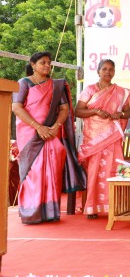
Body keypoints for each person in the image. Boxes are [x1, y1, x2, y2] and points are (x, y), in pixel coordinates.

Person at [11, 52, 85, 224]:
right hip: (30, 134)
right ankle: (32, 212)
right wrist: (38, 127)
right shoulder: (24, 83)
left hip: (51, 133)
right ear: (33, 65)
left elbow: (64, 109)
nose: (46, 65)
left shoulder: (56, 86)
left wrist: (56, 126)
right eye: (42, 62)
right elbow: (16, 107)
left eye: (48, 63)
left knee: (52, 171)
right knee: (33, 172)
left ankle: (50, 211)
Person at [75, 59, 130, 219]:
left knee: (114, 169)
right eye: (104, 69)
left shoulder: (120, 92)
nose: (108, 72)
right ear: (98, 71)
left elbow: (128, 112)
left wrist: (120, 114)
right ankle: (92, 207)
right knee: (94, 171)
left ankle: (115, 206)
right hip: (94, 138)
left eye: (111, 69)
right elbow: (78, 111)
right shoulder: (90, 90)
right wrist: (95, 111)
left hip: (112, 136)